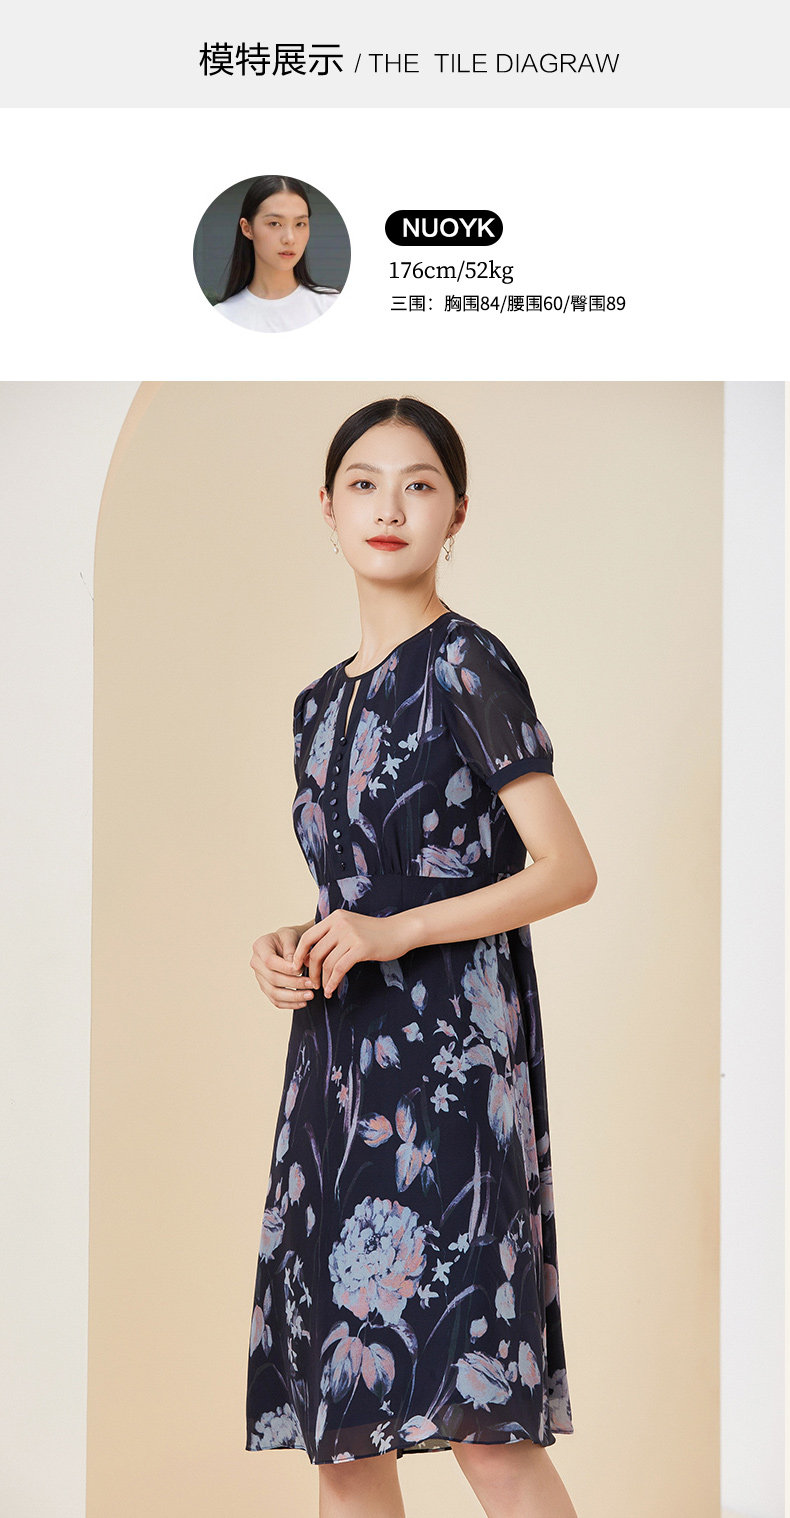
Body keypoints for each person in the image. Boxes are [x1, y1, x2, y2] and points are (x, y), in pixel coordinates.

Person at [247, 396, 596, 1518]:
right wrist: (294, 943)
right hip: (336, 1080)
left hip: (449, 1079)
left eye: (418, 484)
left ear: (457, 512)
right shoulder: (315, 706)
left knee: (482, 1423)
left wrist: (393, 932)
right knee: (344, 1441)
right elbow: (356, 884)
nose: (388, 507)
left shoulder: (467, 663)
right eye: (363, 483)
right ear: (327, 507)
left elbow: (566, 869)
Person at [215, 175, 341, 333]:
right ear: (247, 228)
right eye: (274, 223)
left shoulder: (330, 304)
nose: (290, 238)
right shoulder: (224, 315)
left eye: (300, 224)